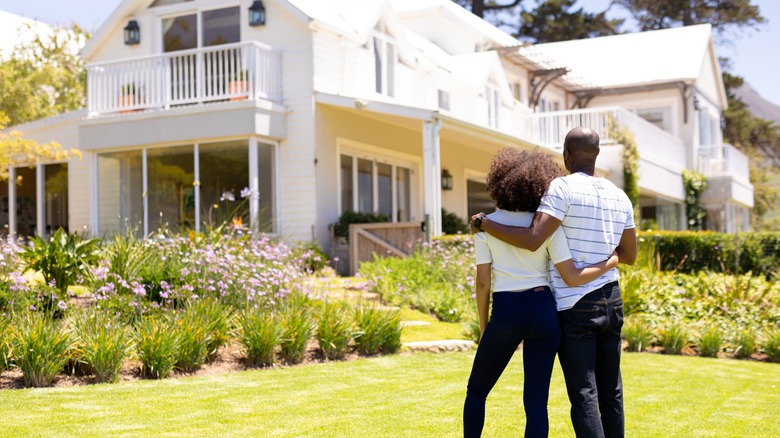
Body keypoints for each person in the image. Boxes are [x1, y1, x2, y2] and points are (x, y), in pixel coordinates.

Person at [470, 127, 637, 438]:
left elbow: (534, 238)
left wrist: (484, 223)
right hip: (611, 300)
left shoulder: (561, 188)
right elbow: (629, 254)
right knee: (611, 391)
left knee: (584, 393)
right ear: (597, 154)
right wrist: (610, 261)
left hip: (575, 305)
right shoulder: (619, 194)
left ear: (566, 155)